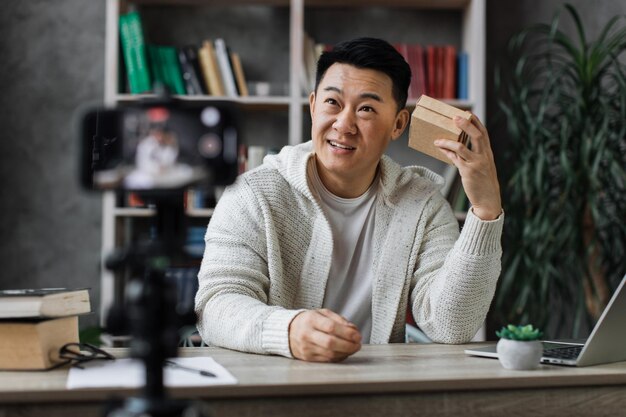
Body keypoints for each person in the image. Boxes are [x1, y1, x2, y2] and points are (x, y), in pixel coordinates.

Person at [195, 37, 503, 362]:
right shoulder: (251, 194)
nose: (344, 124)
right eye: (332, 103)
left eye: (367, 108)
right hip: (269, 385)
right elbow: (215, 304)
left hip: (373, 388)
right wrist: (288, 330)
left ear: (398, 124)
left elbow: (451, 326)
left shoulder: (423, 205)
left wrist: (485, 212)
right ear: (313, 105)